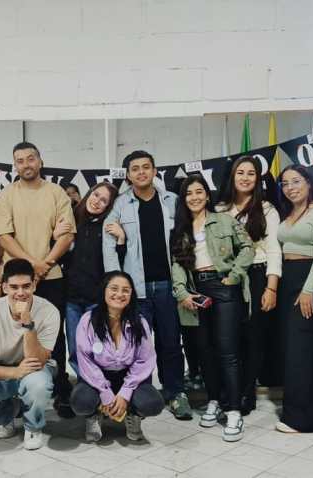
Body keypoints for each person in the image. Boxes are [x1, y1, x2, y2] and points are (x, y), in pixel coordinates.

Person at [103, 150, 192, 420]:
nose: (141, 172)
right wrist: (117, 286)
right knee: (136, 345)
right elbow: (108, 246)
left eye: (146, 167)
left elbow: (185, 239)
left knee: (171, 343)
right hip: (136, 290)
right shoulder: (120, 205)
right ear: (128, 175)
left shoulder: (171, 201)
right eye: (135, 168)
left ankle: (175, 393)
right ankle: (139, 395)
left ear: (154, 171)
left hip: (167, 286)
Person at [0, 142, 76, 417]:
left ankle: (61, 388)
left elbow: (67, 235)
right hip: (17, 281)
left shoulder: (56, 193)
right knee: (17, 333)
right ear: (14, 165)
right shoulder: (6, 196)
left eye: (31, 159)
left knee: (55, 334)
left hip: (51, 276)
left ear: (40, 161)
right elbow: (5, 237)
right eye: (20, 160)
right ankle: (18, 390)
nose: (26, 164)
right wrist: (33, 266)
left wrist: (45, 264)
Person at [170, 175, 255, 441]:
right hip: (196, 291)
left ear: (207, 195)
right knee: (205, 351)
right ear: (183, 199)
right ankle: (214, 400)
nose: (194, 197)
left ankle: (234, 411)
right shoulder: (180, 228)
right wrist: (182, 292)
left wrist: (235, 275)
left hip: (224, 286)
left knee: (227, 352)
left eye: (199, 192)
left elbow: (247, 247)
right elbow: (177, 264)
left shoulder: (225, 220)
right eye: (188, 193)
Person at [0, 258, 60, 451]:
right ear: (4, 287)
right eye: (14, 287)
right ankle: (7, 416)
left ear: (34, 285)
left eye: (26, 286)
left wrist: (28, 325)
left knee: (39, 385)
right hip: (2, 368)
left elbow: (39, 360)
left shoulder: (49, 311)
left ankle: (33, 427)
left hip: (34, 367)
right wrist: (15, 373)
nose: (20, 293)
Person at [216, 156, 283, 414]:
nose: (245, 177)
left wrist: (271, 287)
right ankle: (229, 390)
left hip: (257, 275)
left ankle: (247, 393)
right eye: (240, 172)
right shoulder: (220, 209)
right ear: (232, 176)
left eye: (251, 173)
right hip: (228, 278)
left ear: (258, 179)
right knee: (230, 336)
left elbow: (274, 250)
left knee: (253, 337)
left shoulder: (267, 209)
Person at [274, 164, 313, 434]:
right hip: (288, 280)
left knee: (301, 351)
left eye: (296, 181)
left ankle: (301, 420)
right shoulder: (288, 213)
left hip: (310, 281)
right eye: (285, 183)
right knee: (300, 348)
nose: (291, 187)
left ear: (309, 183)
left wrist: (308, 289)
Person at [71, 271, 163, 442]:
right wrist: (105, 393)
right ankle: (94, 415)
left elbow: (145, 360)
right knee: (81, 401)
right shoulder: (87, 321)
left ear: (131, 295)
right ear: (104, 291)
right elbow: (86, 361)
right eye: (114, 289)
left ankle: (133, 415)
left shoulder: (140, 322)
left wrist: (125, 392)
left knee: (152, 403)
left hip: (129, 377)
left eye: (125, 290)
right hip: (97, 377)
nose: (120, 294)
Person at [57, 181, 122, 377]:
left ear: (109, 206)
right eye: (96, 195)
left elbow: (118, 263)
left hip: (96, 299)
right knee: (75, 346)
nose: (97, 201)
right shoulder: (73, 220)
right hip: (72, 298)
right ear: (89, 193)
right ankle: (84, 383)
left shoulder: (108, 226)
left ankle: (100, 383)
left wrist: (121, 239)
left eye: (104, 201)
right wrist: (56, 237)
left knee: (98, 346)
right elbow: (62, 259)